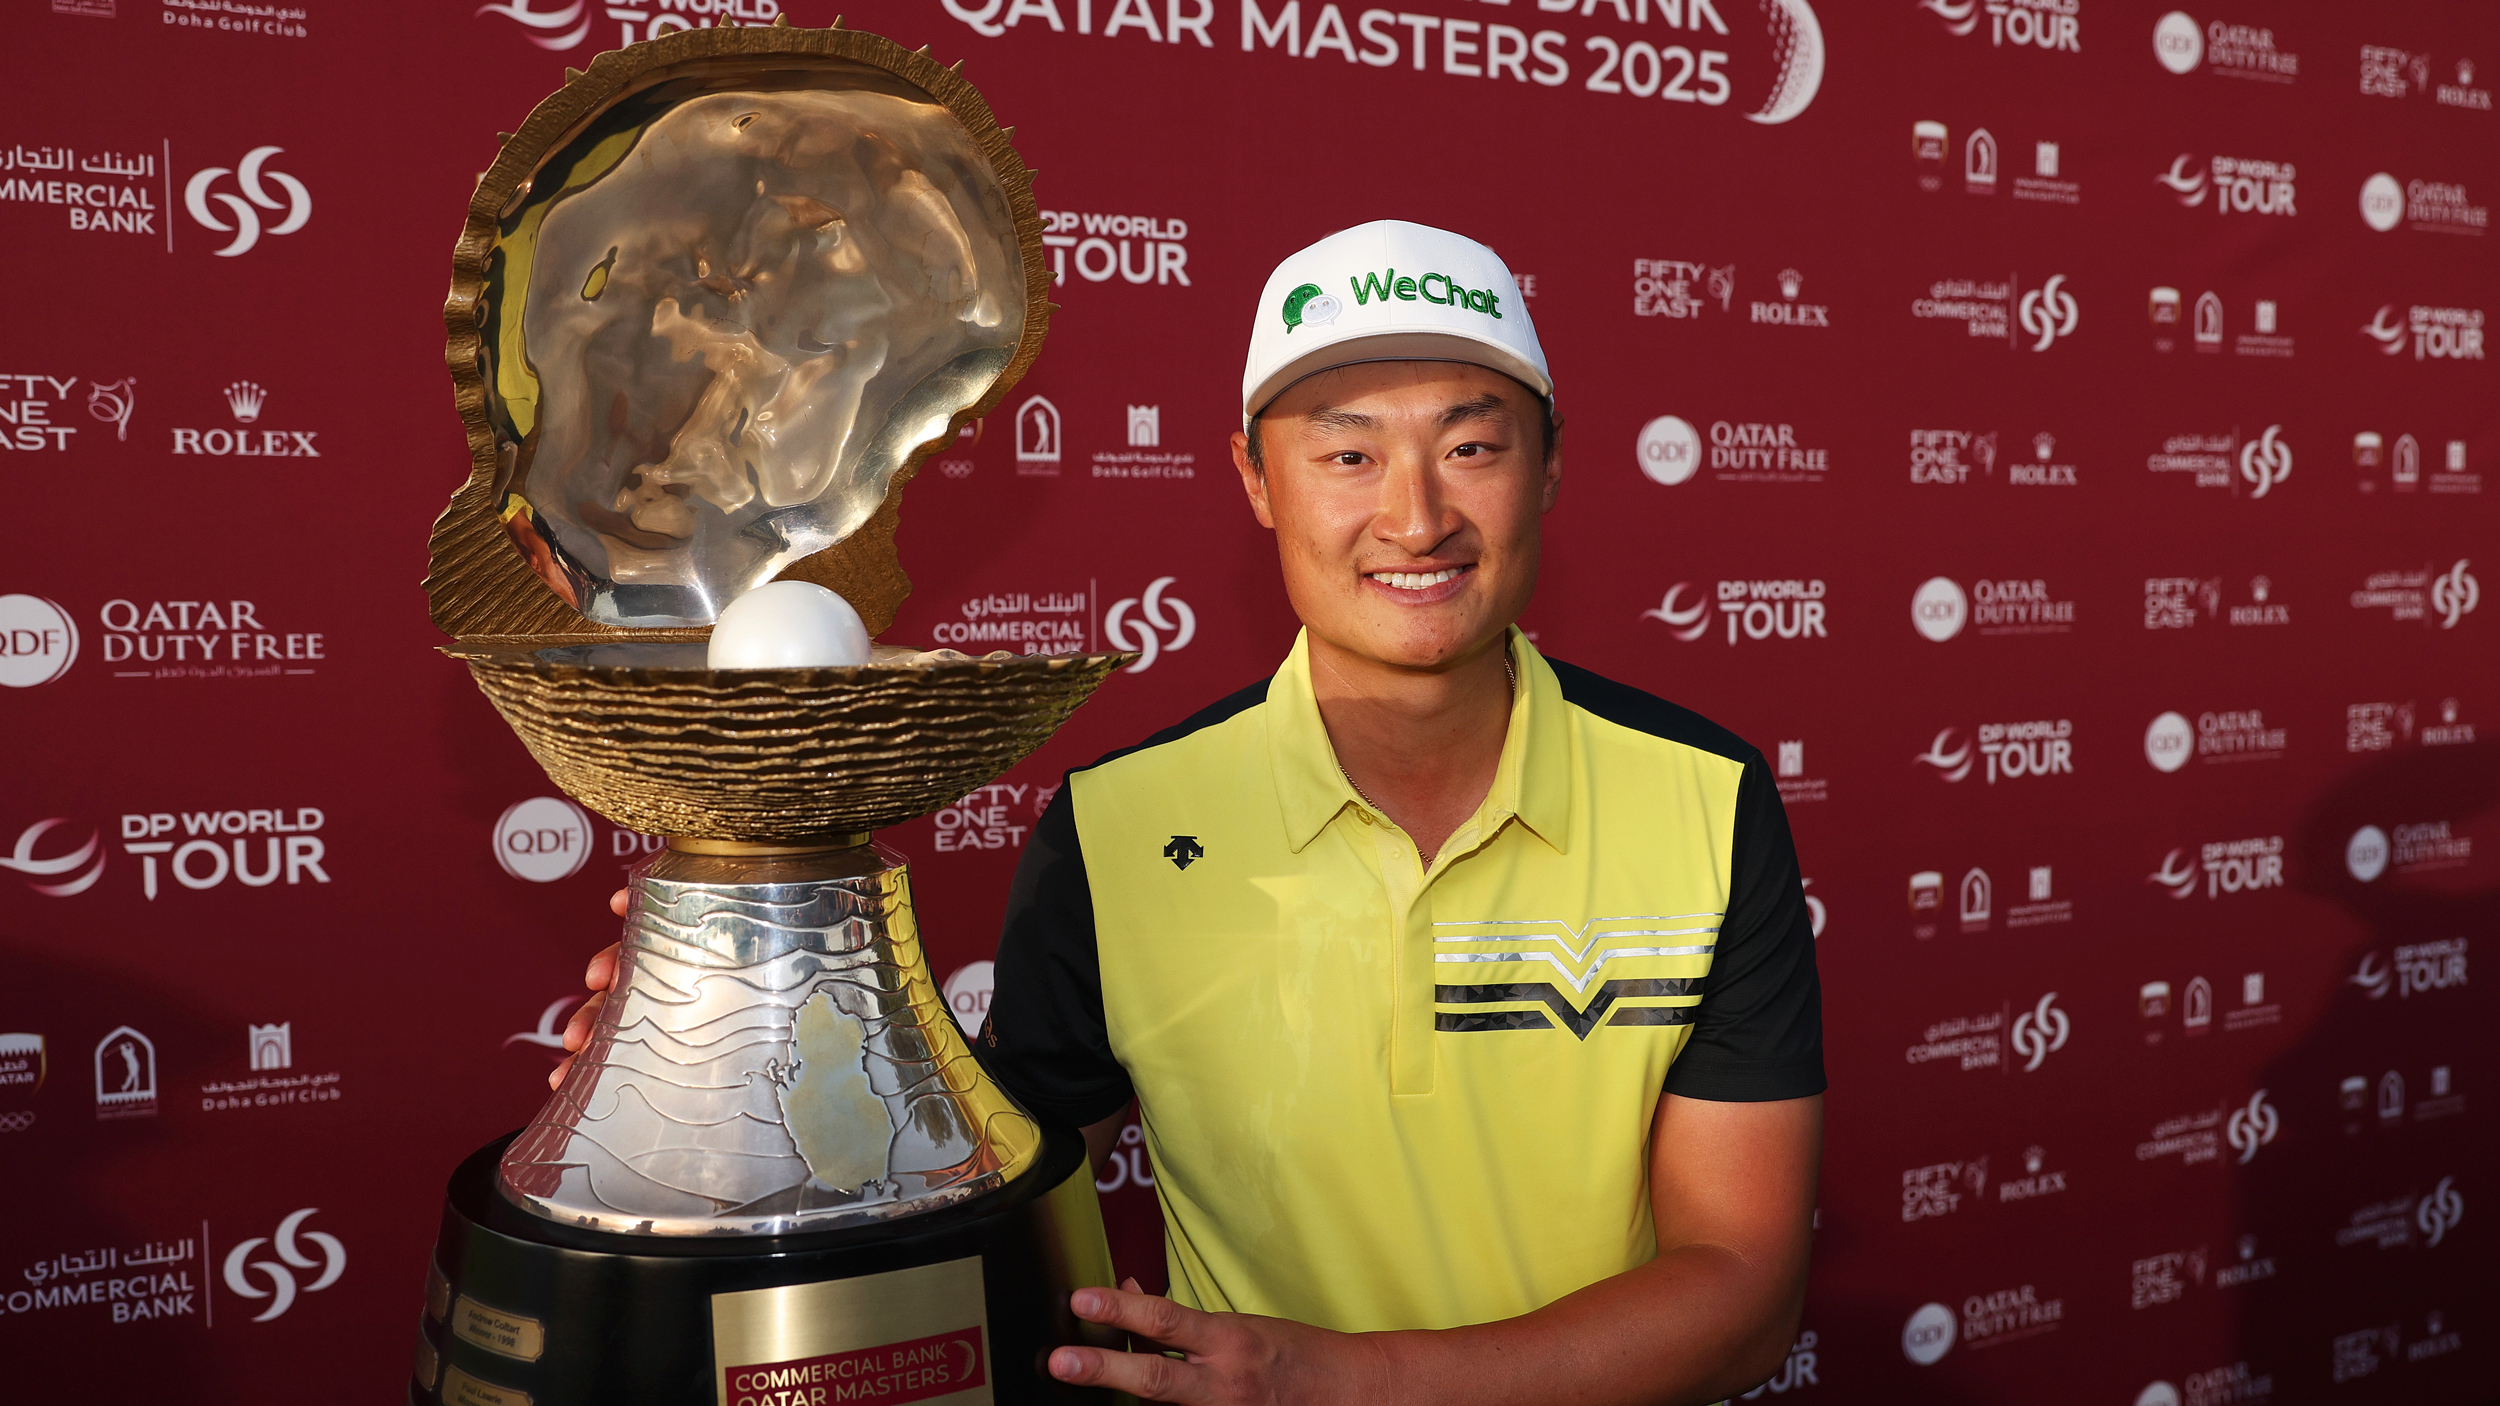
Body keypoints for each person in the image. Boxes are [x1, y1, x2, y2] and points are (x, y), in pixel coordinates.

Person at [560, 220, 1824, 1405]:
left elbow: (1744, 1294)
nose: (1416, 515)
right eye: (1345, 451)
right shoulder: (1119, 826)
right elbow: (960, 1192)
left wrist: (1336, 1381)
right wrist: (742, 1041)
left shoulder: (1703, 799)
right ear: (1255, 481)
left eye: (1472, 444)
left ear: (1545, 468)